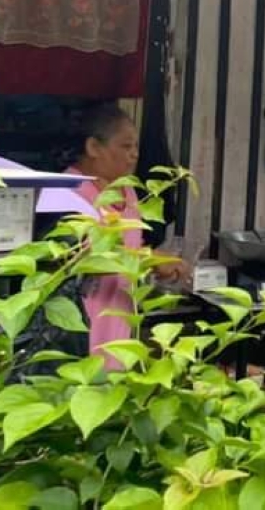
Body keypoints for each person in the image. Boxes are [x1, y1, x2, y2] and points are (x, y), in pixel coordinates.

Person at [67, 104, 186, 366]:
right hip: (82, 326)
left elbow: (133, 244)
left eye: (135, 147)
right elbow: (85, 256)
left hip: (120, 323)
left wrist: (154, 266)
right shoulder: (71, 191)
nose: (133, 155)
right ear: (93, 147)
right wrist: (151, 258)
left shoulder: (128, 192)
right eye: (125, 146)